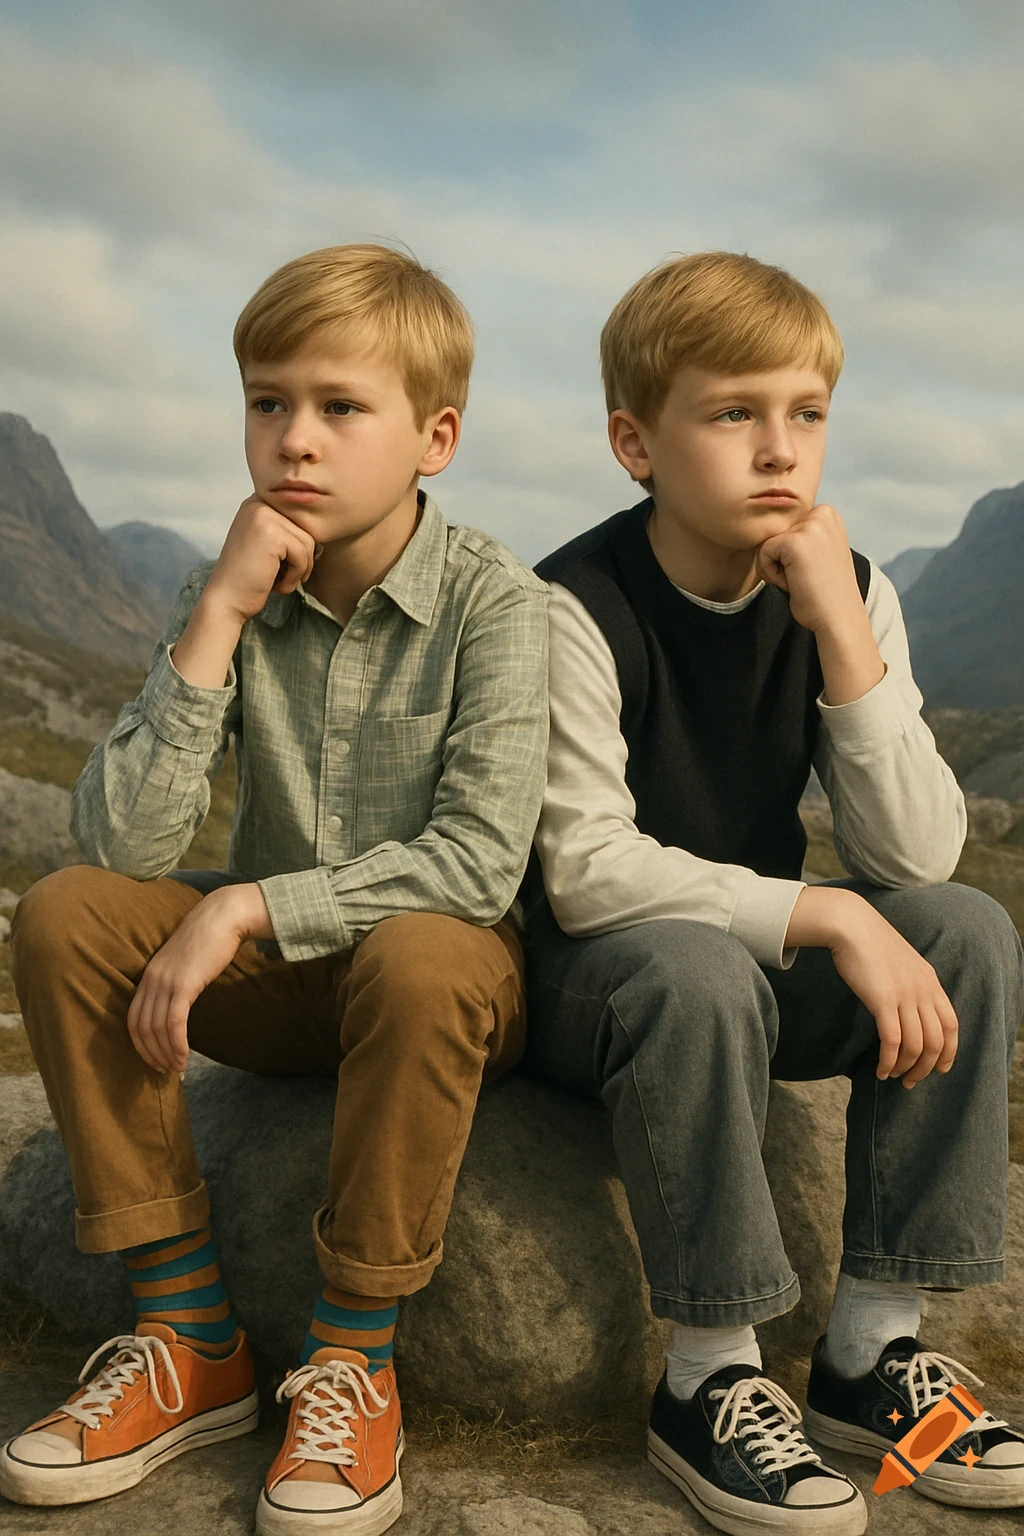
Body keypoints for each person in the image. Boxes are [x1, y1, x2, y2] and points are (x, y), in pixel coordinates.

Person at [1, 243, 548, 1536]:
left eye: (340, 407)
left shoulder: (494, 603)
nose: (294, 439)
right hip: (283, 991)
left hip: (437, 991)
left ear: (436, 437)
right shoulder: (232, 584)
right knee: (69, 914)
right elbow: (124, 846)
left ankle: (354, 1358)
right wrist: (218, 621)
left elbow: (479, 862)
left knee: (423, 952)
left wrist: (246, 906)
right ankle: (189, 1337)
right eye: (267, 402)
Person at [524, 250, 1024, 1535]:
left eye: (805, 414)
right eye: (731, 413)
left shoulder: (844, 589)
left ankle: (868, 1353)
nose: (777, 451)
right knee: (692, 967)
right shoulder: (572, 605)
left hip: (749, 973)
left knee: (964, 931)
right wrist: (828, 914)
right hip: (595, 987)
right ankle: (709, 1379)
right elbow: (584, 872)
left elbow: (915, 859)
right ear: (636, 442)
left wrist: (844, 645)